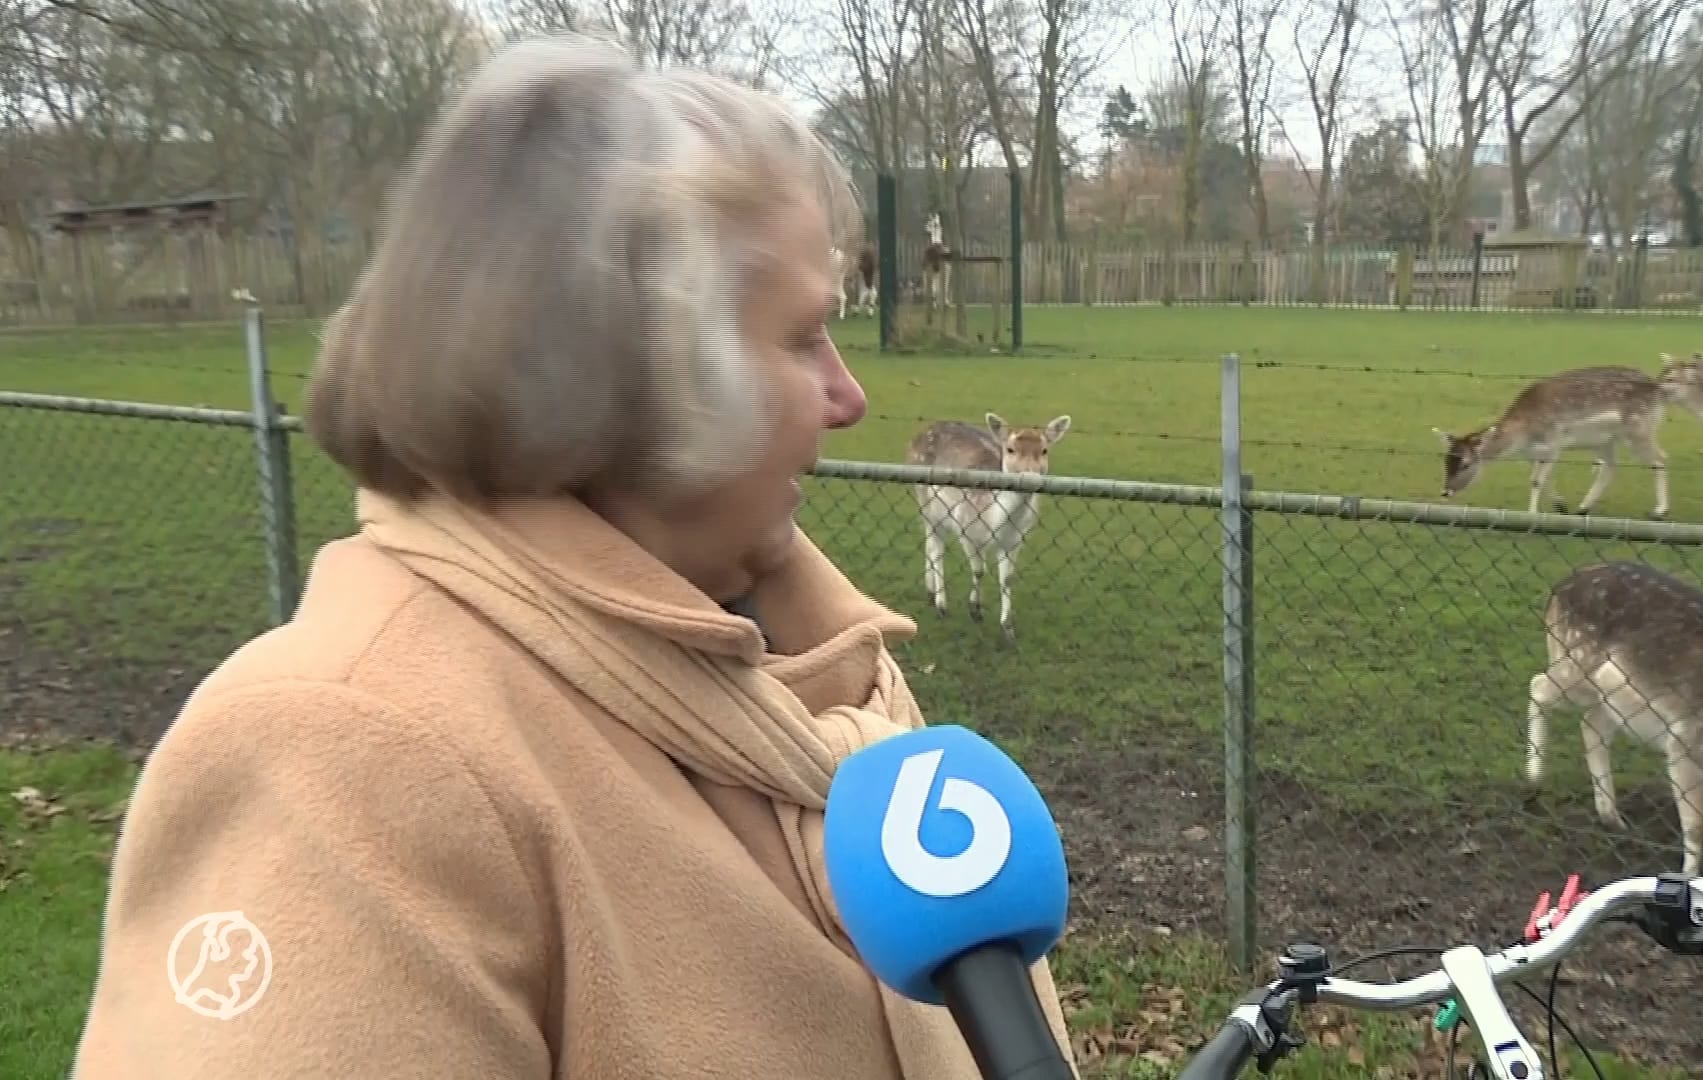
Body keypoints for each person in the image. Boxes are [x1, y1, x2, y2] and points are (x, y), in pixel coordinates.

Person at [70, 33, 1078, 1080]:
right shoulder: (342, 769)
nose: (848, 398)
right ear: (628, 371)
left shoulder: (821, 667)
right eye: (799, 339)